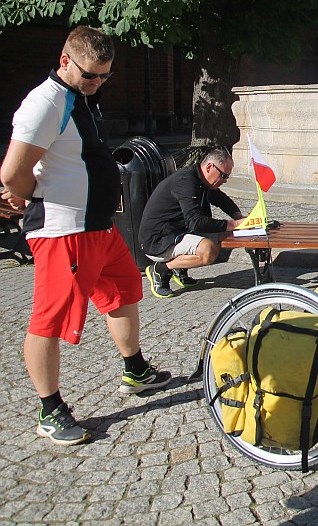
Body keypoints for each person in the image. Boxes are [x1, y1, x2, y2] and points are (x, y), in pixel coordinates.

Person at [1, 26, 171, 446]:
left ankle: (135, 371)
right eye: (90, 75)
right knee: (50, 319)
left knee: (125, 290)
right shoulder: (44, 103)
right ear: (64, 61)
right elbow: (12, 172)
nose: (97, 83)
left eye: (105, 76)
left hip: (97, 227)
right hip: (64, 231)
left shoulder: (81, 100)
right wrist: (24, 197)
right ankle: (50, 409)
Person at [138, 146, 244, 298]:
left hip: (175, 232)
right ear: (209, 167)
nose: (225, 180)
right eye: (224, 176)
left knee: (222, 234)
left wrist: (239, 217)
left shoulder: (201, 179)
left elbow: (221, 199)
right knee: (208, 250)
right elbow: (196, 222)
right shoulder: (186, 182)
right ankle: (161, 269)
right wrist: (234, 225)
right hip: (157, 240)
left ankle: (179, 269)